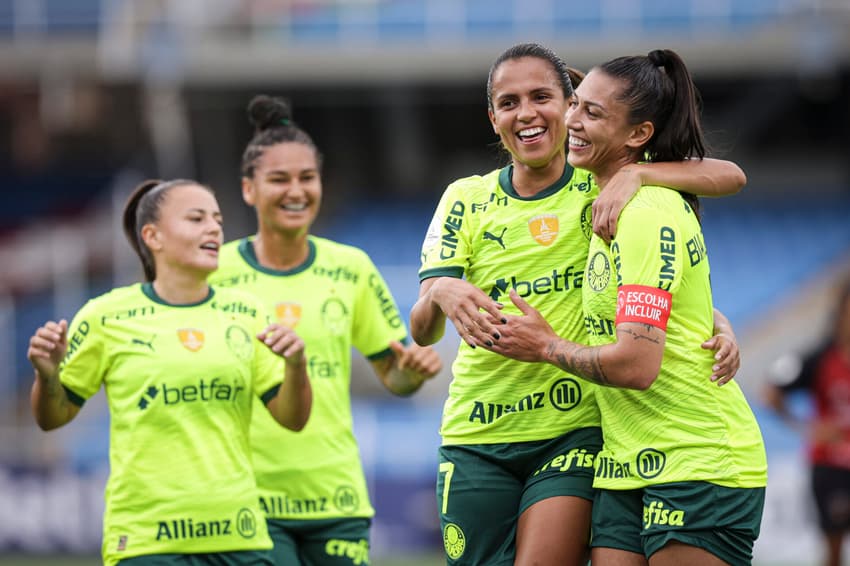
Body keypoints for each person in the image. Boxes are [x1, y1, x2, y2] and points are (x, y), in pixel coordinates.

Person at [409, 42, 746, 566]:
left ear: (567, 105)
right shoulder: (465, 198)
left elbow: (728, 176)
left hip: (575, 427)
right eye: (508, 101)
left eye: (542, 96)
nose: (526, 113)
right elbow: (423, 331)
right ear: (493, 116)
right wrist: (441, 292)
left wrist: (642, 173)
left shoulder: (603, 184)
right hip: (477, 431)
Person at [208, 95, 443, 566]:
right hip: (246, 498)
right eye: (279, 179)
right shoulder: (214, 272)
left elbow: (393, 376)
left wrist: (411, 373)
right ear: (249, 190)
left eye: (306, 177)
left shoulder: (350, 267)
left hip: (335, 497)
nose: (296, 190)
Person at [28, 179, 312, 566]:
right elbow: (52, 417)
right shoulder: (104, 315)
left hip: (240, 536)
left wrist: (297, 366)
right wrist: (47, 375)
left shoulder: (248, 313)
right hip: (147, 542)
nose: (213, 228)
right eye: (196, 218)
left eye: (217, 220)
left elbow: (293, 420)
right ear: (153, 236)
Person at [763, 279, 850, 566]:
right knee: (834, 547)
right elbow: (771, 391)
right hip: (831, 467)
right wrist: (805, 428)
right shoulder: (820, 357)